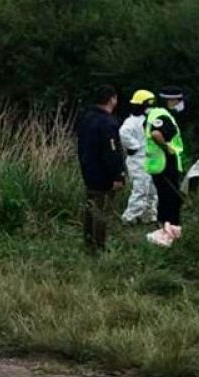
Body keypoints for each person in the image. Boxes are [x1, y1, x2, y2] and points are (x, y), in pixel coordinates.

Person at [76, 84, 125, 253]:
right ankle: (99, 246)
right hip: (103, 174)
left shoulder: (86, 118)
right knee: (102, 210)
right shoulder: (108, 123)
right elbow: (111, 151)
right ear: (112, 99)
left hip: (88, 169)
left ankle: (88, 242)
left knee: (91, 206)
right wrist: (117, 175)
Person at [144, 86, 187, 247]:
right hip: (164, 164)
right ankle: (167, 232)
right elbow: (156, 134)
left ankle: (168, 230)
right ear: (172, 100)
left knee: (167, 198)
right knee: (171, 199)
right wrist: (167, 148)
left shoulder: (156, 113)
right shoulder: (163, 116)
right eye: (178, 101)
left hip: (159, 164)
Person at [119, 89, 158, 225]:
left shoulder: (149, 120)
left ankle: (148, 215)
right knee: (140, 189)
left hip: (150, 159)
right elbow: (123, 134)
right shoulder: (131, 122)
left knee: (152, 189)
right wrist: (134, 147)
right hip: (138, 160)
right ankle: (129, 218)